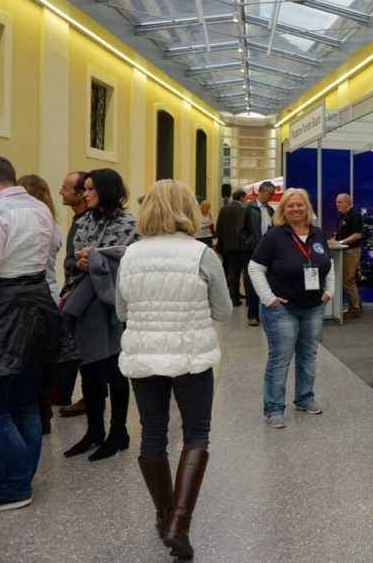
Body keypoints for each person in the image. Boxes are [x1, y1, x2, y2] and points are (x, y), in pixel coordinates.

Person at [116, 180, 231, 560]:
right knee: (197, 432)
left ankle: (163, 515)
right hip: (190, 355)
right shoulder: (201, 253)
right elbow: (224, 311)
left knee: (152, 434)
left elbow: (120, 311)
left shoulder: (131, 254)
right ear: (188, 209)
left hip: (144, 354)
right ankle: (179, 523)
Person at [0, 155, 62, 513]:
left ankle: (13, 485)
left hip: (4, 310)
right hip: (37, 304)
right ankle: (22, 479)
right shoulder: (39, 208)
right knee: (24, 400)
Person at [62, 168, 141, 461]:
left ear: (106, 190)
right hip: (85, 304)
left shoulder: (129, 223)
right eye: (84, 189)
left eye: (90, 188)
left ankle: (118, 432)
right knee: (90, 370)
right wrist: (81, 263)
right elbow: (70, 260)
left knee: (115, 371)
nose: (85, 193)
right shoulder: (82, 221)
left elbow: (128, 261)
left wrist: (95, 258)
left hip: (113, 307)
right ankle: (94, 431)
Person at [247, 188, 334, 429]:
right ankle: (274, 409)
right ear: (282, 210)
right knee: (280, 358)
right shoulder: (275, 236)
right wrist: (268, 298)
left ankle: (305, 398)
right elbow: (255, 267)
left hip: (313, 306)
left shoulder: (317, 233)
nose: (295, 209)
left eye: (300, 205)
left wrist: (330, 291)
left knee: (308, 356)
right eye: (290, 206)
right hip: (281, 309)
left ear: (307, 208)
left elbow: (329, 264)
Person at [16, 175, 77, 436]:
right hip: (50, 296)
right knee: (44, 364)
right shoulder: (52, 225)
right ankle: (43, 416)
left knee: (29, 365)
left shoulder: (24, 224)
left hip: (29, 298)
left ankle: (35, 414)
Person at [56, 171, 89, 416]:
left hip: (84, 293)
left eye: (66, 188)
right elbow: (70, 259)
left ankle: (84, 396)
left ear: (80, 194)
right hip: (74, 289)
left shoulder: (87, 221)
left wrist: (74, 265)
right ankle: (63, 393)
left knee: (79, 344)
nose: (61, 192)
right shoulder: (78, 219)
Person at [239, 181, 276, 326]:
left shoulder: (271, 211)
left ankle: (264, 314)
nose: (272, 196)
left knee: (267, 283)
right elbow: (241, 231)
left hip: (267, 252)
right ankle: (252, 315)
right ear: (262, 191)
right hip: (252, 252)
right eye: (271, 193)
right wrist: (250, 245)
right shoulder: (248, 208)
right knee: (252, 284)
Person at [333, 192, 363, 320]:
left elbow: (357, 235)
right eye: (337, 202)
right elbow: (339, 236)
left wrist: (339, 242)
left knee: (348, 281)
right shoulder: (342, 217)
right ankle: (357, 306)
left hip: (351, 252)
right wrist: (330, 241)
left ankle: (354, 309)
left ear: (347, 202)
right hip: (343, 251)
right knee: (347, 281)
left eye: (340, 202)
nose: (337, 204)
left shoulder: (354, 215)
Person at [215, 188, 247, 306]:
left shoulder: (224, 210)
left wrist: (225, 242)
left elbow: (218, 229)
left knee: (233, 272)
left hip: (227, 247)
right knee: (246, 272)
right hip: (241, 247)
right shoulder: (243, 209)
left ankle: (234, 297)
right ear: (242, 197)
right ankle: (247, 298)